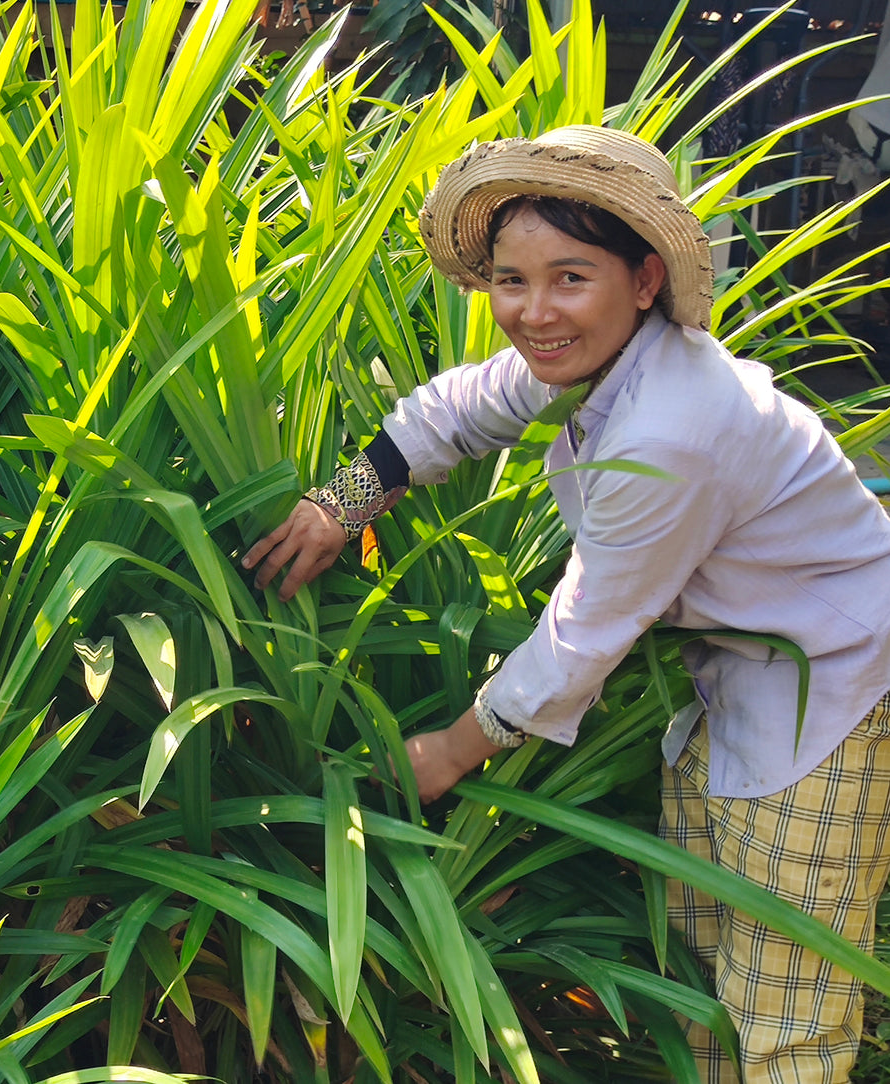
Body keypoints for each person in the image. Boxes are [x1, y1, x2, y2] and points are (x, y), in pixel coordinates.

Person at [242, 124, 890, 1084]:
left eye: (570, 277)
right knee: (707, 952)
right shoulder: (606, 360)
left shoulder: (674, 427)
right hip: (739, 675)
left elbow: (581, 633)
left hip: (828, 687)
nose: (533, 311)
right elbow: (463, 405)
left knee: (786, 1006)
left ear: (642, 281)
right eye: (511, 279)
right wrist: (340, 503)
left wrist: (447, 753)